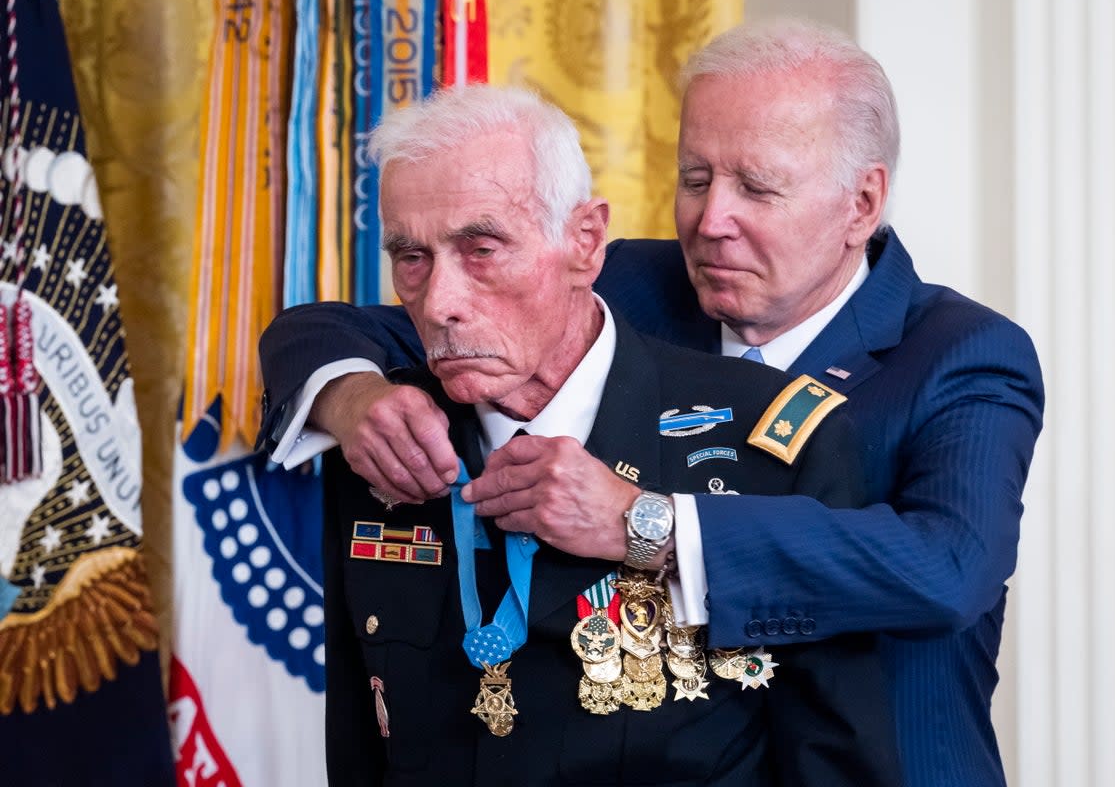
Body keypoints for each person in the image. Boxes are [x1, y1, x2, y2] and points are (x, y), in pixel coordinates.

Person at [260, 19, 1044, 786]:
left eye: (757, 188)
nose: (711, 221)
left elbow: (948, 571)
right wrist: (351, 395)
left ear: (861, 204)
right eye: (695, 178)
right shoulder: (628, 284)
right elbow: (351, 325)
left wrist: (645, 526)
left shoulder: (960, 355)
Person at [314, 84, 899, 786]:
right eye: (411, 258)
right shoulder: (382, 440)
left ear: (585, 243)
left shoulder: (770, 444)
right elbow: (360, 745)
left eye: (482, 248)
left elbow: (837, 762)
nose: (439, 303)